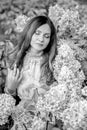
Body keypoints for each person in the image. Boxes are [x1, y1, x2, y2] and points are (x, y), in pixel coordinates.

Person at [4, 15, 60, 130]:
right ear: (29, 32)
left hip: (46, 117)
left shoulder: (52, 62)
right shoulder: (17, 59)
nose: (41, 39)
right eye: (37, 33)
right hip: (21, 115)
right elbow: (9, 97)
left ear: (50, 40)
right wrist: (11, 88)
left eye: (46, 36)